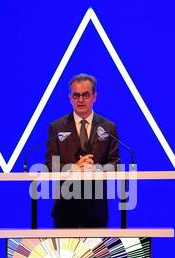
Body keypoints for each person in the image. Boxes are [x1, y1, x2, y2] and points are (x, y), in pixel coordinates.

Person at [45, 73, 120, 228]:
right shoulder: (57, 127)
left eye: (85, 95)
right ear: (70, 98)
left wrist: (95, 169)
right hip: (65, 208)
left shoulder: (108, 127)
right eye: (76, 95)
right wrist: (73, 168)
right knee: (65, 253)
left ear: (94, 97)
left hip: (96, 209)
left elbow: (115, 164)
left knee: (95, 253)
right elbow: (50, 164)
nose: (80, 100)